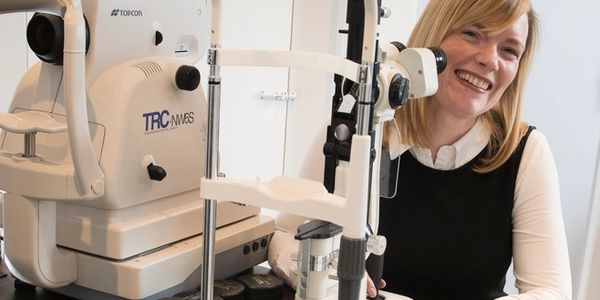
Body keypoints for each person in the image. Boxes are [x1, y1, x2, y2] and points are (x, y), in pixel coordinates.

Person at [269, 0, 572, 299]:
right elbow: (284, 236)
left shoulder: (526, 152)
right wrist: (319, 277)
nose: (490, 60)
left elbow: (550, 291)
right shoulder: (355, 129)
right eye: (472, 34)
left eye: (509, 50)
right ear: (433, 37)